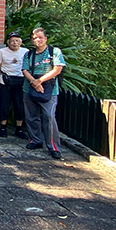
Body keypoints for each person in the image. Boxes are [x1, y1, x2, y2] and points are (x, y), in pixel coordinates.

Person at [22, 27, 66, 159]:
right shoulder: (29, 54)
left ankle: (53, 146)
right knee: (31, 116)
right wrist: (34, 83)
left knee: (49, 117)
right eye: (35, 38)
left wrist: (40, 81)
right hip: (29, 87)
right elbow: (25, 70)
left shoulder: (54, 52)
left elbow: (57, 69)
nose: (38, 40)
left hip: (49, 89)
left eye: (40, 37)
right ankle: (35, 140)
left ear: (45, 38)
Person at [0, 31, 29, 139]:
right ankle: (3, 127)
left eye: (17, 40)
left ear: (20, 42)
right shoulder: (2, 51)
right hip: (5, 81)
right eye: (12, 41)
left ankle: (19, 128)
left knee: (19, 105)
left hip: (21, 81)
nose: (14, 43)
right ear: (8, 42)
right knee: (4, 104)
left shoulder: (25, 52)